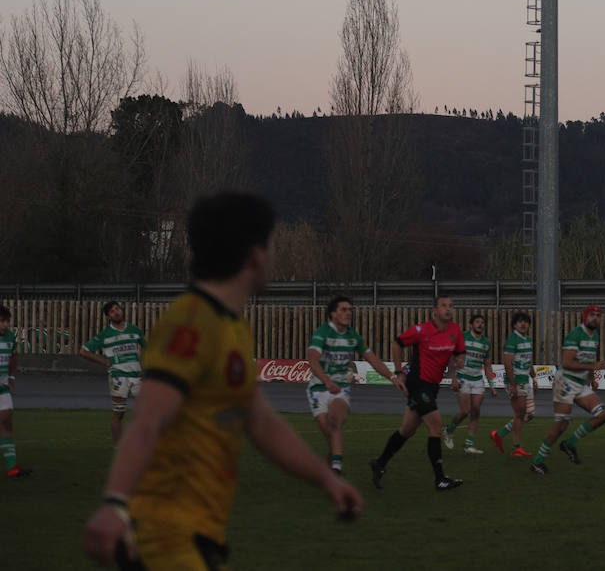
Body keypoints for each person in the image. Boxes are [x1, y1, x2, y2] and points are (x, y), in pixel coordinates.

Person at [80, 192, 362, 568]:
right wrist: (114, 503)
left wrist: (328, 481)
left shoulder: (231, 325)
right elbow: (148, 420)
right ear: (254, 255)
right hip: (165, 538)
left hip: (200, 535)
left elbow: (261, 423)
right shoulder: (191, 322)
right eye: (271, 243)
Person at [368, 295, 465, 491]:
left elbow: (459, 352)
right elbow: (396, 344)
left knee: (407, 430)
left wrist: (460, 359)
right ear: (435, 311)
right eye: (444, 306)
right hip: (417, 383)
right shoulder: (421, 330)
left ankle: (380, 463)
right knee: (436, 426)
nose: (448, 309)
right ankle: (440, 479)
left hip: (432, 387)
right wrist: (397, 372)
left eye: (451, 306)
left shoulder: (456, 331)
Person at [306, 295, 406, 474]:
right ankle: (330, 467)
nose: (348, 313)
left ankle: (336, 468)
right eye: (343, 309)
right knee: (330, 435)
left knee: (335, 421)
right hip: (318, 389)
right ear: (332, 314)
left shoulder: (353, 337)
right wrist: (327, 382)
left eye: (350, 310)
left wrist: (392, 378)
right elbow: (312, 359)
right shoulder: (323, 333)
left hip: (340, 389)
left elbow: (373, 360)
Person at [530, 305, 605, 474]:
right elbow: (566, 362)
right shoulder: (575, 334)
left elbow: (590, 358)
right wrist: (593, 366)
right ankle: (537, 461)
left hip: (580, 383)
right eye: (592, 315)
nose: (595, 318)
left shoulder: (594, 336)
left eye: (598, 316)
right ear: (585, 317)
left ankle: (570, 443)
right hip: (565, 382)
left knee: (602, 415)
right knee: (561, 426)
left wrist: (593, 378)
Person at [79, 302, 148, 445]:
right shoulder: (105, 335)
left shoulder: (134, 330)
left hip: (137, 375)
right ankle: (119, 447)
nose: (116, 312)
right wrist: (104, 361)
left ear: (121, 310)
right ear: (108, 316)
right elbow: (83, 351)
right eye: (111, 311)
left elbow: (148, 348)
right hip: (118, 376)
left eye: (117, 309)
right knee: (119, 413)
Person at [442, 313, 496, 454]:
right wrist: (453, 378)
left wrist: (492, 385)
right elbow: (452, 358)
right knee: (465, 410)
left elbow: (488, 365)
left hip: (477, 379)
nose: (480, 324)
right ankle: (448, 430)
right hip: (463, 377)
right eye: (477, 322)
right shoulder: (463, 337)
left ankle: (469, 444)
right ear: (471, 325)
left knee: (476, 410)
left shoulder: (486, 343)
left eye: (482, 322)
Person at [490, 311, 536, 457]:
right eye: (520, 321)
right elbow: (507, 364)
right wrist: (513, 384)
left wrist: (532, 374)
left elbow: (527, 359)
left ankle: (499, 434)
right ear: (514, 325)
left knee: (529, 414)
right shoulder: (512, 340)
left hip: (525, 380)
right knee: (520, 414)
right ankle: (517, 448)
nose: (523, 324)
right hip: (515, 381)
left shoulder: (528, 340)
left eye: (525, 321)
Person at [1, 303, 33, 479]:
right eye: (2, 321)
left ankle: (13, 468)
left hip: (3, 387)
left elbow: (14, 356)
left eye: (7, 321)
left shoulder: (10, 337)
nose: (6, 325)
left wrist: (11, 377)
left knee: (7, 424)